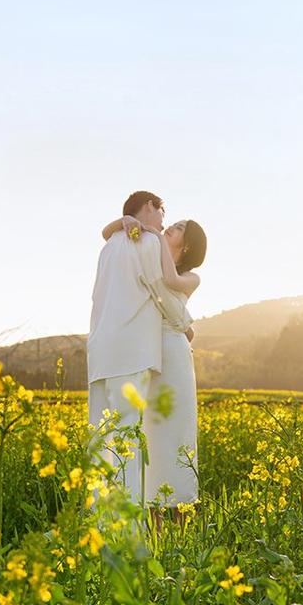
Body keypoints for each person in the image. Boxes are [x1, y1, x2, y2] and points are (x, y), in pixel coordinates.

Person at [87, 191, 194, 503]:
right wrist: (185, 324)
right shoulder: (146, 242)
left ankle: (98, 521)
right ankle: (128, 528)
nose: (162, 224)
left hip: (100, 352)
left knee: (100, 444)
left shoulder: (109, 246)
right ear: (150, 206)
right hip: (130, 353)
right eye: (163, 215)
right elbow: (159, 289)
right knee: (127, 443)